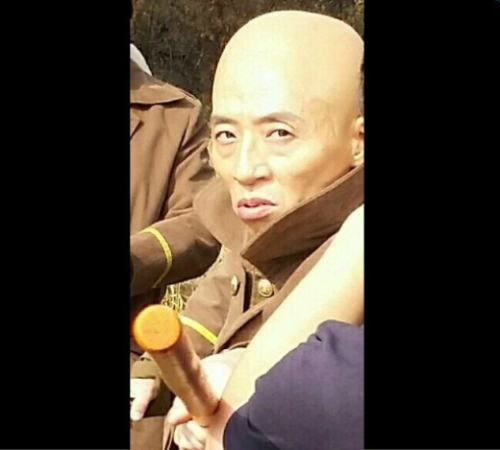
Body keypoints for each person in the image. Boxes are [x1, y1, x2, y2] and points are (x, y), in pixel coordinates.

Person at [131, 10, 364, 449]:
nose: (243, 169)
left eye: (280, 133)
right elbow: (210, 311)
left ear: (359, 141)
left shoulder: (349, 251)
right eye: (226, 135)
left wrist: (247, 376)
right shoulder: (258, 227)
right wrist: (154, 372)